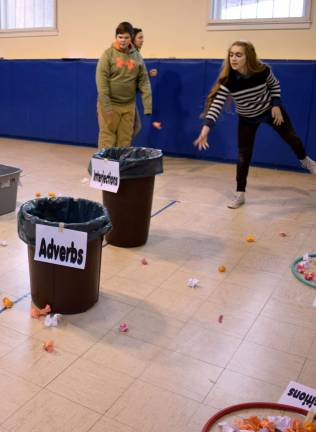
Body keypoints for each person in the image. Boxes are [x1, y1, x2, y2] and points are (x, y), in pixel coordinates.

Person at [194, 40, 316, 209]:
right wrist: (205, 130)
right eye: (231, 55)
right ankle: (240, 194)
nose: (233, 59)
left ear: (248, 57)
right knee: (244, 155)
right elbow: (216, 106)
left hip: (270, 111)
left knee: (292, 138)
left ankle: (306, 161)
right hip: (247, 118)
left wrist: (276, 104)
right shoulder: (229, 81)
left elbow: (275, 85)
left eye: (238, 55)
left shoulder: (262, 70)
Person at [96, 21, 152, 148]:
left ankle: (120, 167)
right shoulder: (108, 55)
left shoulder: (137, 57)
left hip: (128, 106)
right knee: (107, 139)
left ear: (131, 38)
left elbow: (144, 81)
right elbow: (101, 82)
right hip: (110, 105)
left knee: (125, 140)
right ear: (116, 37)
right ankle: (106, 167)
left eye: (126, 37)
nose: (123, 40)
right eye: (120, 37)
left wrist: (147, 106)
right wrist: (107, 105)